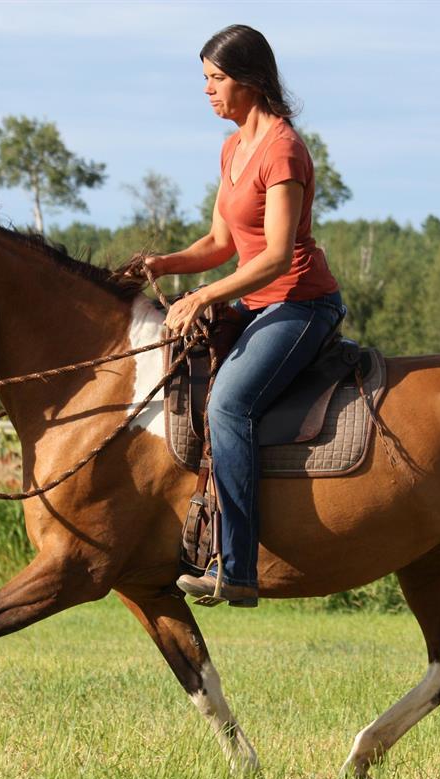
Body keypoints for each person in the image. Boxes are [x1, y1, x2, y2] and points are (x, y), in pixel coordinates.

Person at [144, 24, 345, 607]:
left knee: (229, 404)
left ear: (251, 81)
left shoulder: (283, 150)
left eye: (216, 79)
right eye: (204, 79)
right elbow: (218, 243)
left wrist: (204, 297)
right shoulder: (233, 148)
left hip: (302, 303)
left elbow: (278, 256)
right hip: (259, 302)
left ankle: (237, 566)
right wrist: (161, 264)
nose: (207, 91)